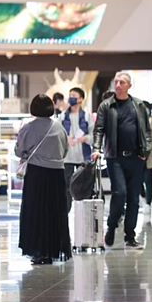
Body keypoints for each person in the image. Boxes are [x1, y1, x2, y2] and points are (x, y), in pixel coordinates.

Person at [92, 72, 152, 248]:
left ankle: (130, 236)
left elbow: (147, 131)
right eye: (116, 82)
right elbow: (99, 129)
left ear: (129, 86)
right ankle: (111, 226)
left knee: (133, 198)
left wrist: (146, 152)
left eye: (122, 82)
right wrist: (96, 148)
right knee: (120, 193)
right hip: (115, 157)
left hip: (136, 157)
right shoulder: (106, 106)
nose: (118, 85)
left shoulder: (138, 105)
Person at [16, 94, 70, 265]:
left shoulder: (28, 128)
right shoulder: (59, 127)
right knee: (54, 212)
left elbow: (19, 150)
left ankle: (37, 250)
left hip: (36, 174)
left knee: (36, 212)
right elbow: (65, 151)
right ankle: (54, 249)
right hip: (56, 175)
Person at [59, 87, 94, 213]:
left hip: (83, 158)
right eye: (70, 95)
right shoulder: (62, 116)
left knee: (84, 188)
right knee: (66, 187)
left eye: (74, 95)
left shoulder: (86, 117)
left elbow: (94, 136)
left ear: (80, 99)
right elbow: (57, 135)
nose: (71, 98)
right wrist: (65, 138)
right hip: (67, 158)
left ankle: (84, 215)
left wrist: (85, 138)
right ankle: (65, 213)